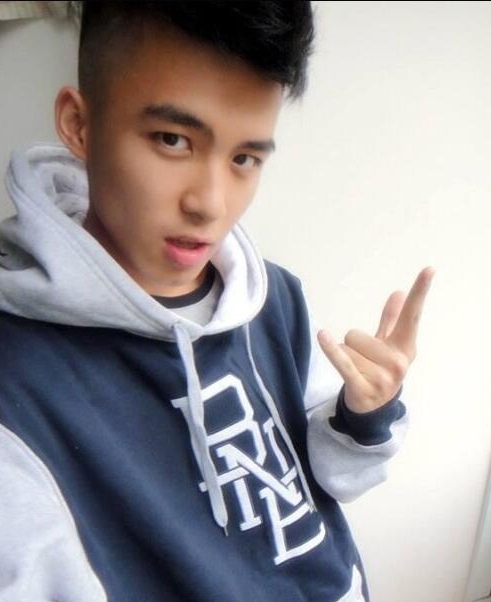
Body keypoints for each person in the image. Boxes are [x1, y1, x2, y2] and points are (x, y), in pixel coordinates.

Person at [0, 2, 434, 601]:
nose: (210, 203)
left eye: (244, 159)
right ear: (79, 124)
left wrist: (364, 414)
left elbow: (337, 475)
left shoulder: (272, 297)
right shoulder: (18, 378)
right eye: (173, 140)